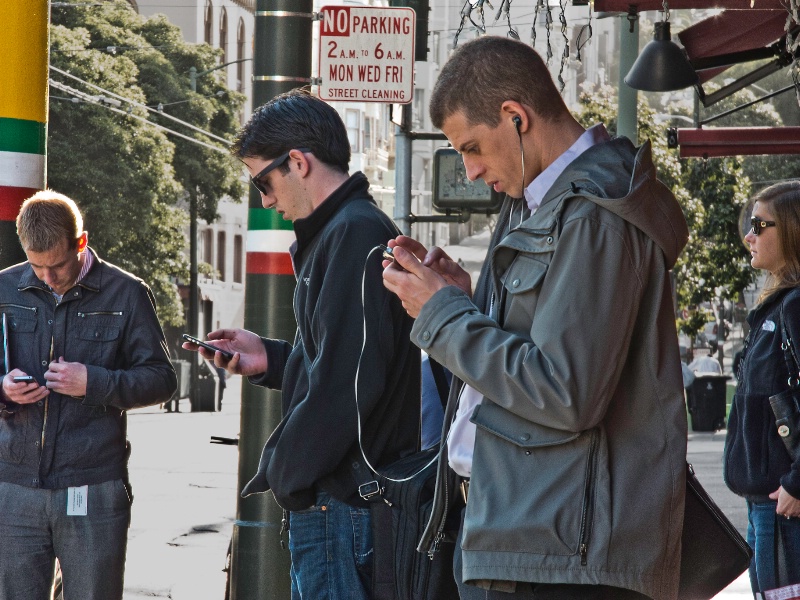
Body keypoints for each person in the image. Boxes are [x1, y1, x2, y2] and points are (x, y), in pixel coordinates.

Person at [382, 36, 689, 600]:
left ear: (515, 117)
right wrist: (466, 301)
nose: (470, 170)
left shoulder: (593, 213)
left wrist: (445, 317)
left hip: (557, 555)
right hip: (534, 538)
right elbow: (542, 351)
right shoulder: (543, 201)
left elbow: (566, 391)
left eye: (472, 147)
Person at [183, 89, 420, 600]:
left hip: (344, 505)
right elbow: (340, 362)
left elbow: (349, 382)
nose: (265, 200)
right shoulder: (344, 231)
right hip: (341, 501)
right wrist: (270, 358)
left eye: (263, 182)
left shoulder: (354, 233)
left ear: (297, 162)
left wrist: (290, 476)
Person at [0, 190, 177, 600]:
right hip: (13, 487)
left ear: (81, 242)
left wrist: (93, 383)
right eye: (36, 265)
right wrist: (4, 390)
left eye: (58, 265)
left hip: (94, 485)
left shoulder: (127, 293)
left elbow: (162, 379)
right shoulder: (3, 289)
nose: (48, 277)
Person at [723, 181, 800, 595]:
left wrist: (797, 483)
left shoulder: (795, 305)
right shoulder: (779, 305)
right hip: (767, 506)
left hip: (785, 507)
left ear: (791, 230)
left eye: (759, 225)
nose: (748, 236)